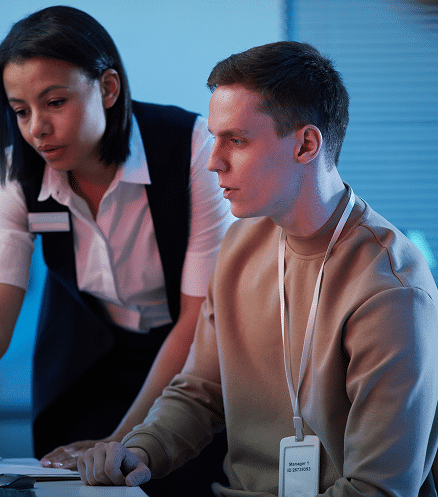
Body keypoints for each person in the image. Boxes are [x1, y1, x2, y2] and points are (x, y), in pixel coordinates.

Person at [77, 41, 438, 496]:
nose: (213, 161)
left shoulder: (391, 288)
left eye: (237, 140)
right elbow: (200, 391)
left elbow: (377, 490)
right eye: (215, 138)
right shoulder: (240, 244)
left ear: (306, 144)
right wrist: (140, 451)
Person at [0, 5, 233, 496]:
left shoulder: (192, 149)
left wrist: (122, 441)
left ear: (108, 89)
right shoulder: (17, 176)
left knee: (182, 478)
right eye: (20, 111)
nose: (36, 127)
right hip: (86, 359)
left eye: (54, 102)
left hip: (190, 355)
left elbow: (195, 319)